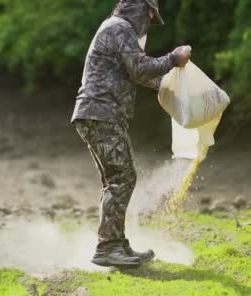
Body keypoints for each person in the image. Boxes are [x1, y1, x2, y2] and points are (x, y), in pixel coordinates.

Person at [71, 0, 191, 267]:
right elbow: (139, 68)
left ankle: (116, 245)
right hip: (102, 114)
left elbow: (139, 75)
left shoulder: (115, 28)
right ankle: (109, 247)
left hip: (96, 114)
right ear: (139, 9)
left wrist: (172, 86)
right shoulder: (119, 28)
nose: (148, 21)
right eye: (149, 15)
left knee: (116, 178)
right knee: (123, 177)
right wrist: (173, 59)